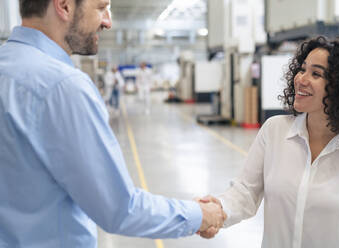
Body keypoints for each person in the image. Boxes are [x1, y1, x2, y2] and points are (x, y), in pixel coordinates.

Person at [0, 0, 226, 247]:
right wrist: (200, 215)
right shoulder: (64, 87)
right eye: (100, 7)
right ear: (64, 6)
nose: (107, 21)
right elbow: (119, 208)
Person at [198, 36, 339, 246]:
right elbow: (245, 192)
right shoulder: (275, 131)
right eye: (302, 69)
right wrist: (217, 211)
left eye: (316, 74)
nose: (301, 79)